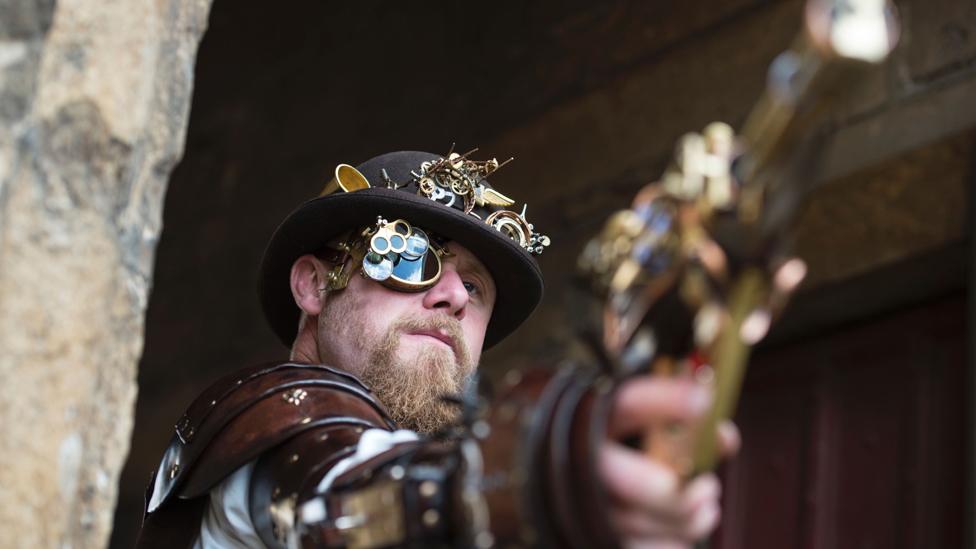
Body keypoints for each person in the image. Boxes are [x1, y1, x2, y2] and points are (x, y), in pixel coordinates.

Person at [136, 150, 737, 549]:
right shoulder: (268, 428)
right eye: (408, 256)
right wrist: (546, 472)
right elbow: (349, 496)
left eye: (475, 286)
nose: (452, 295)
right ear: (315, 285)